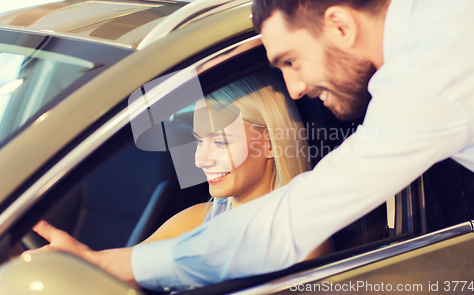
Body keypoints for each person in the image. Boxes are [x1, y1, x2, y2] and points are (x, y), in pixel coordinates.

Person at [30, 0, 474, 291]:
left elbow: (288, 225)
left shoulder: (421, 84)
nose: (293, 88)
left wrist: (108, 266)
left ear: (339, 25)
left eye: (291, 61)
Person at [29, 72, 334, 287]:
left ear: (269, 143)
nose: (200, 160)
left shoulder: (303, 242)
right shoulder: (193, 220)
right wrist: (76, 266)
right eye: (199, 141)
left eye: (220, 142)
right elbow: (115, 277)